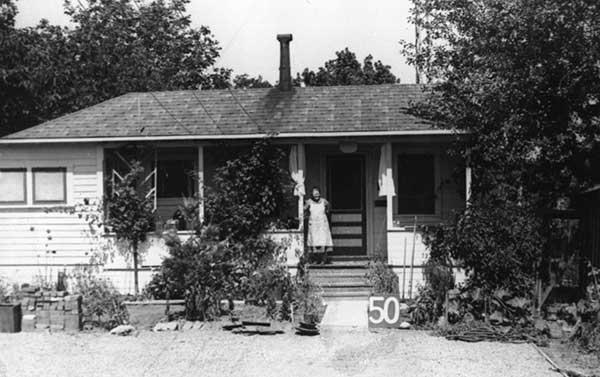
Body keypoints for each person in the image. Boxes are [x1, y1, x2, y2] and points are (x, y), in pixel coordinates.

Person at [304, 187, 333, 264]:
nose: (316, 196)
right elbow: (304, 210)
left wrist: (326, 212)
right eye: (314, 194)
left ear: (320, 194)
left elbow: (328, 207)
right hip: (313, 224)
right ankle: (315, 259)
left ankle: (323, 259)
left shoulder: (324, 201)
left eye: (317, 194)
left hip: (322, 224)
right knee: (314, 241)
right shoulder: (309, 202)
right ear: (312, 195)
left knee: (323, 241)